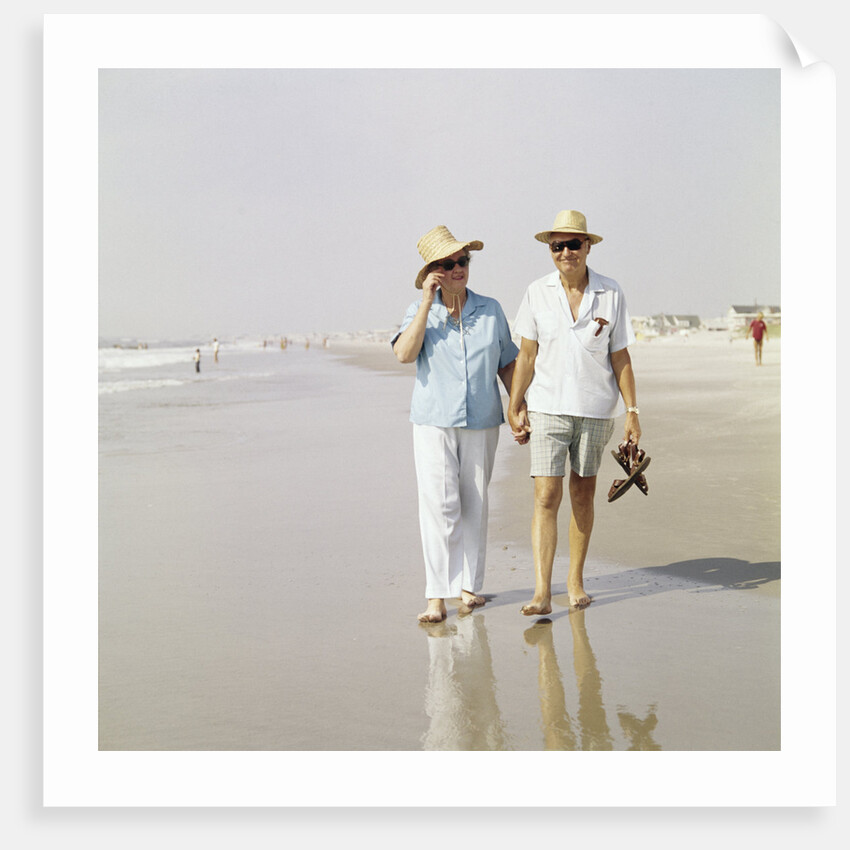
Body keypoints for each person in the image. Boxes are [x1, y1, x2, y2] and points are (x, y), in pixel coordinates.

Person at [508, 210, 641, 614]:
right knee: (546, 494)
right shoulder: (536, 292)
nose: (566, 252)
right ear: (550, 251)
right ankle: (542, 591)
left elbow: (620, 356)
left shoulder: (611, 292)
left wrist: (632, 410)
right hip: (548, 406)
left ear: (588, 246)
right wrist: (515, 404)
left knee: (582, 494)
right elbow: (527, 355)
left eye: (574, 244)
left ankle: (575, 581)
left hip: (596, 409)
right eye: (557, 246)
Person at [393, 225, 520, 624]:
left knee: (475, 502)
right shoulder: (419, 312)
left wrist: (519, 407)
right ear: (433, 271)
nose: (458, 268)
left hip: (482, 419)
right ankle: (436, 596)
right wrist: (427, 300)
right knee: (439, 505)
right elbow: (403, 354)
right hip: (433, 420)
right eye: (448, 264)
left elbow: (508, 363)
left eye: (463, 261)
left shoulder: (491, 309)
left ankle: (469, 587)